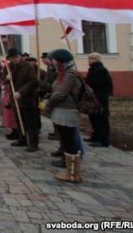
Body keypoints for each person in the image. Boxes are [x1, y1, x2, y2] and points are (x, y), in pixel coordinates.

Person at [46, 49, 83, 183]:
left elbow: (61, 93)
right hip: (61, 110)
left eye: (54, 59)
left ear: (60, 60)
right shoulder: (62, 74)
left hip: (67, 111)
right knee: (67, 140)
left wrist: (49, 104)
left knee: (70, 141)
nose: (52, 62)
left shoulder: (70, 75)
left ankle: (73, 173)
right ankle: (70, 169)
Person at [5, 48, 39, 152]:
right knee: (19, 121)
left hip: (27, 99)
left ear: (18, 56)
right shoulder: (10, 67)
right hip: (16, 100)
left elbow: (32, 81)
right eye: (11, 59)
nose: (13, 60)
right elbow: (4, 81)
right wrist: (7, 78)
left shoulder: (28, 67)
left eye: (14, 58)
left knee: (30, 123)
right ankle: (22, 139)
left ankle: (33, 143)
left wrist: (20, 92)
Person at [85, 52, 113, 148]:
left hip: (100, 98)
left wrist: (90, 83)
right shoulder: (92, 70)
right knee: (93, 117)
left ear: (97, 60)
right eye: (89, 59)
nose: (89, 61)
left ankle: (103, 140)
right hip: (93, 98)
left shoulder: (101, 70)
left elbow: (105, 84)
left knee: (101, 119)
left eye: (92, 59)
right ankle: (95, 136)